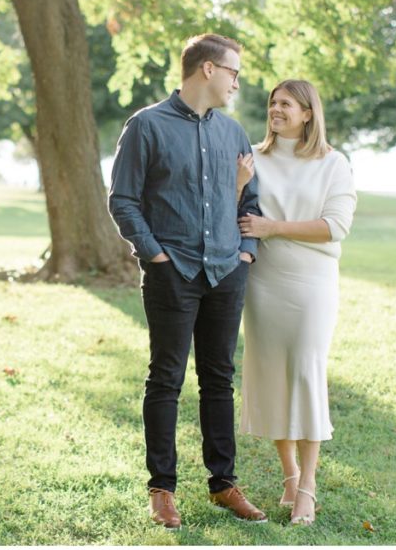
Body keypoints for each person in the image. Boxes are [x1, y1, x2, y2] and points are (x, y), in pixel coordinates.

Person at [108, 34, 267, 530]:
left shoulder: (234, 134)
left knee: (218, 378)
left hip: (226, 270)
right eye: (233, 72)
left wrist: (246, 252)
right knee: (166, 379)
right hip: (171, 272)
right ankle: (162, 490)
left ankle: (223, 484)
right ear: (207, 70)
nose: (237, 82)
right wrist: (154, 254)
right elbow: (123, 199)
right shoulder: (146, 126)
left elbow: (250, 202)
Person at [235, 79, 357, 526]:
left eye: (286, 104)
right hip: (262, 282)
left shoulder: (333, 163)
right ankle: (289, 476)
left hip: (311, 283)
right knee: (271, 377)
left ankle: (308, 487)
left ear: (308, 113)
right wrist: (238, 183)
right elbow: (233, 213)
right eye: (272, 103)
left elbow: (335, 226)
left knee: (305, 376)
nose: (276, 109)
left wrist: (274, 228)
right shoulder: (252, 156)